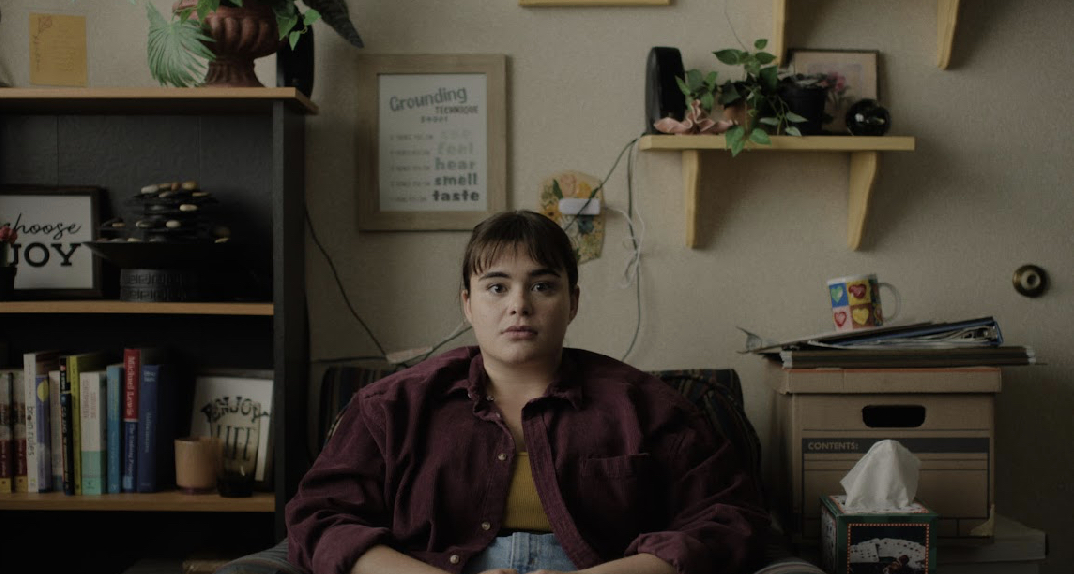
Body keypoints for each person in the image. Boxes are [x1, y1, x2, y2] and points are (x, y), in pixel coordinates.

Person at [286, 210, 769, 574]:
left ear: (572, 302)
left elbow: (729, 518)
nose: (519, 305)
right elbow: (320, 519)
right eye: (497, 288)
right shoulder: (391, 408)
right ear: (468, 304)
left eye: (542, 286)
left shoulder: (648, 406)